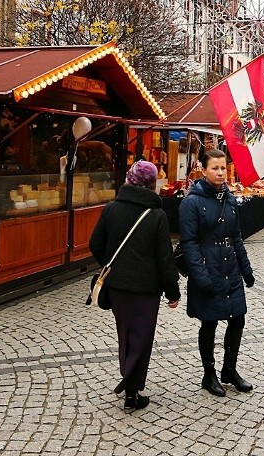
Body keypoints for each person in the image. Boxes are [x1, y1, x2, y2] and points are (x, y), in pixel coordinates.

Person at [89, 160, 181, 412]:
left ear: (130, 180)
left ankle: (129, 384)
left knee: (126, 334)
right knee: (141, 337)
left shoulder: (112, 208)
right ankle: (131, 390)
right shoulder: (157, 214)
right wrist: (172, 291)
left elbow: (95, 243)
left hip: (118, 287)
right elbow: (165, 257)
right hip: (146, 289)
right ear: (152, 184)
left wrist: (110, 265)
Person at [179, 149, 255, 398]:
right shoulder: (191, 202)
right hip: (208, 270)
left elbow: (236, 237)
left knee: (238, 319)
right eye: (215, 168)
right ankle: (208, 374)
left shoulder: (229, 199)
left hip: (230, 270)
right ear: (203, 169)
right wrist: (200, 277)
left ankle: (229, 370)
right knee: (209, 323)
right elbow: (189, 243)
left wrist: (246, 270)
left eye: (223, 168)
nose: (220, 172)